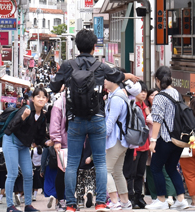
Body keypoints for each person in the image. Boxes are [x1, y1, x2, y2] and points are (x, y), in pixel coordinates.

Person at [50, 29, 139, 212]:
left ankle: (70, 205)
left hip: (75, 120)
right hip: (97, 118)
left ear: (76, 46)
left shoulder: (68, 65)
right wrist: (129, 76)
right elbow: (118, 76)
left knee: (72, 163)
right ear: (93, 47)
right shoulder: (101, 66)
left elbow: (54, 86)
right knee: (100, 162)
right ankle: (100, 203)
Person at [147, 66, 190, 210]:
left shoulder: (160, 97)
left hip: (164, 139)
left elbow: (157, 120)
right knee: (171, 168)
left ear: (157, 80)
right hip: (178, 139)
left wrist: (153, 140)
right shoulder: (177, 93)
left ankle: (161, 200)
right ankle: (181, 199)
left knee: (156, 168)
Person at [3, 86, 50, 212]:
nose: (41, 99)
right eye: (38, 96)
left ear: (47, 100)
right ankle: (10, 206)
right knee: (12, 174)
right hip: (11, 141)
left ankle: (28, 205)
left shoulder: (42, 117)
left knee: (29, 174)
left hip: (24, 146)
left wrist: (47, 142)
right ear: (33, 98)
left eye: (43, 97)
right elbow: (11, 127)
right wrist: (22, 117)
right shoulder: (26, 109)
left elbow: (40, 138)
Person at [104, 76, 131, 210]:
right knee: (117, 171)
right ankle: (125, 201)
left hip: (115, 139)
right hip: (123, 140)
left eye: (106, 79)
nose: (104, 81)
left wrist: (103, 138)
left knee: (105, 170)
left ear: (112, 81)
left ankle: (114, 201)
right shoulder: (121, 95)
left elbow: (110, 122)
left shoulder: (116, 99)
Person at [130, 83, 152, 209]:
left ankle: (139, 197)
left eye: (145, 92)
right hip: (136, 147)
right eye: (141, 91)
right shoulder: (133, 106)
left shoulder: (145, 107)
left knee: (140, 174)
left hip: (145, 146)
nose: (143, 94)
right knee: (132, 174)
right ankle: (132, 197)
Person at [47, 86, 68, 210]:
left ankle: (69, 199)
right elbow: (55, 122)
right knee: (61, 173)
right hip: (63, 144)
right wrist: (56, 140)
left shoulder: (78, 100)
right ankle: (61, 200)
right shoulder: (60, 103)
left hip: (75, 142)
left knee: (72, 173)